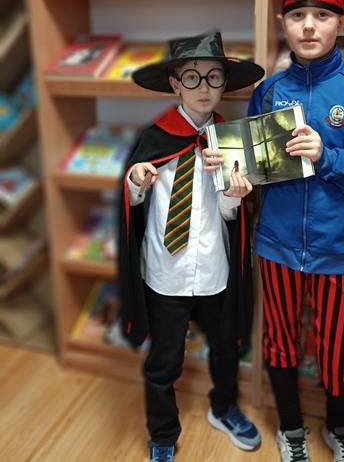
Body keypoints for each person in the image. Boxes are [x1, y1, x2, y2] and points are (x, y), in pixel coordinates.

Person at [210, 0, 344, 462]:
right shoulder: (269, 91)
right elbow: (254, 167)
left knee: (337, 348)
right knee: (279, 341)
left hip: (338, 248)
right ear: (283, 23)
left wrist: (326, 156)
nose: (309, 26)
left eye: (322, 15)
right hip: (276, 246)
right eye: (297, 16)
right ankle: (291, 429)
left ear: (343, 22)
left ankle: (340, 428)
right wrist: (232, 173)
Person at [117, 30, 265, 462]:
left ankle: (224, 408)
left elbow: (230, 217)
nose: (203, 87)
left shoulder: (232, 140)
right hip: (166, 272)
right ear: (175, 84)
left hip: (214, 269)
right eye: (192, 77)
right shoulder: (154, 137)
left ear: (224, 84)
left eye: (213, 77)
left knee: (225, 347)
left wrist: (235, 194)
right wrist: (136, 181)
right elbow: (131, 203)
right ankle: (163, 435)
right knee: (164, 361)